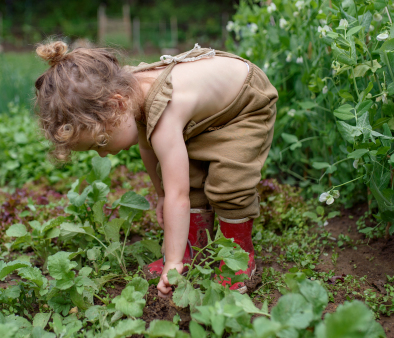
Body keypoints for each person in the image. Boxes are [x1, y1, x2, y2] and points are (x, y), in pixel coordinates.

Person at [33, 41, 278, 297]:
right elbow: (148, 147)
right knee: (190, 176)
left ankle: (237, 257)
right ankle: (192, 248)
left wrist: (171, 264)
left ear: (117, 106)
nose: (104, 153)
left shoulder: (164, 112)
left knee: (230, 182)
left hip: (244, 103)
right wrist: (160, 192)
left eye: (101, 142)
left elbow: (178, 195)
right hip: (205, 113)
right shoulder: (126, 94)